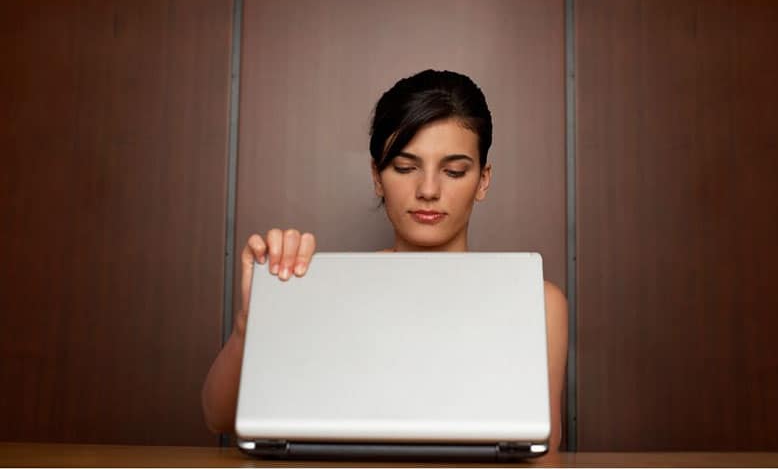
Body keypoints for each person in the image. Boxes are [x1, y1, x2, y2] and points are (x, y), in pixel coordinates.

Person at [201, 69, 568, 450]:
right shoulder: (319, 288)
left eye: (454, 171)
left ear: (483, 180)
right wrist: (253, 322)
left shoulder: (539, 304)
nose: (428, 190)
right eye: (405, 168)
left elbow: (544, 454)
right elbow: (219, 417)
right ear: (377, 176)